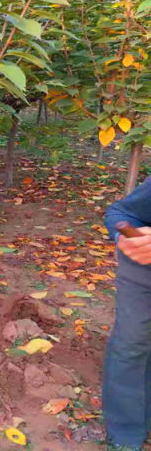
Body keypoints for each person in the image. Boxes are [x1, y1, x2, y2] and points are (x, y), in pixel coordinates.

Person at [104, 176, 151, 451]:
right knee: (133, 340)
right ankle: (126, 433)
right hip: (144, 266)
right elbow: (120, 213)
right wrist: (125, 237)